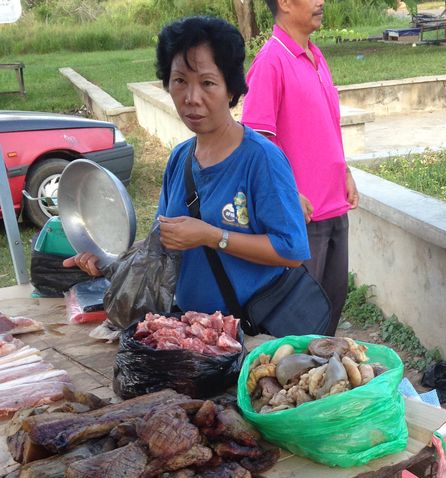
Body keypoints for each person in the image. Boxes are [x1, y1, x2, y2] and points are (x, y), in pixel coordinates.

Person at [64, 15, 310, 318]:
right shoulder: (180, 158)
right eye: (180, 81)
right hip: (193, 330)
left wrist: (212, 236)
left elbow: (292, 250)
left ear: (231, 89)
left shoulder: (261, 159)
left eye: (207, 83)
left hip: (251, 332)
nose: (192, 98)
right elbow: (164, 242)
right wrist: (107, 260)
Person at [241, 0, 359, 336]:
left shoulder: (316, 55)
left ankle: (323, 369)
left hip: (334, 206)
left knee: (331, 307)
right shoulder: (271, 61)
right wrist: (288, 193)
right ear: (285, 3)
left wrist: (345, 171)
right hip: (301, 218)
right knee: (300, 321)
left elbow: (326, 124)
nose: (321, 2)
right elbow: (257, 143)